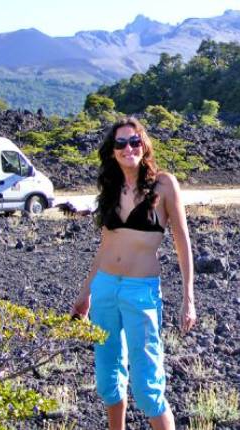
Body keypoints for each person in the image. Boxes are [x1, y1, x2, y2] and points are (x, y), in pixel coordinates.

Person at [71, 117, 196, 430]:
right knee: (108, 380)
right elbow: (105, 246)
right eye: (121, 143)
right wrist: (85, 294)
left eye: (134, 141)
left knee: (147, 387)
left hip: (140, 291)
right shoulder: (111, 188)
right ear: (113, 151)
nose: (128, 148)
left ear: (144, 145)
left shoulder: (164, 184)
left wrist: (188, 298)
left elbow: (182, 241)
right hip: (105, 289)